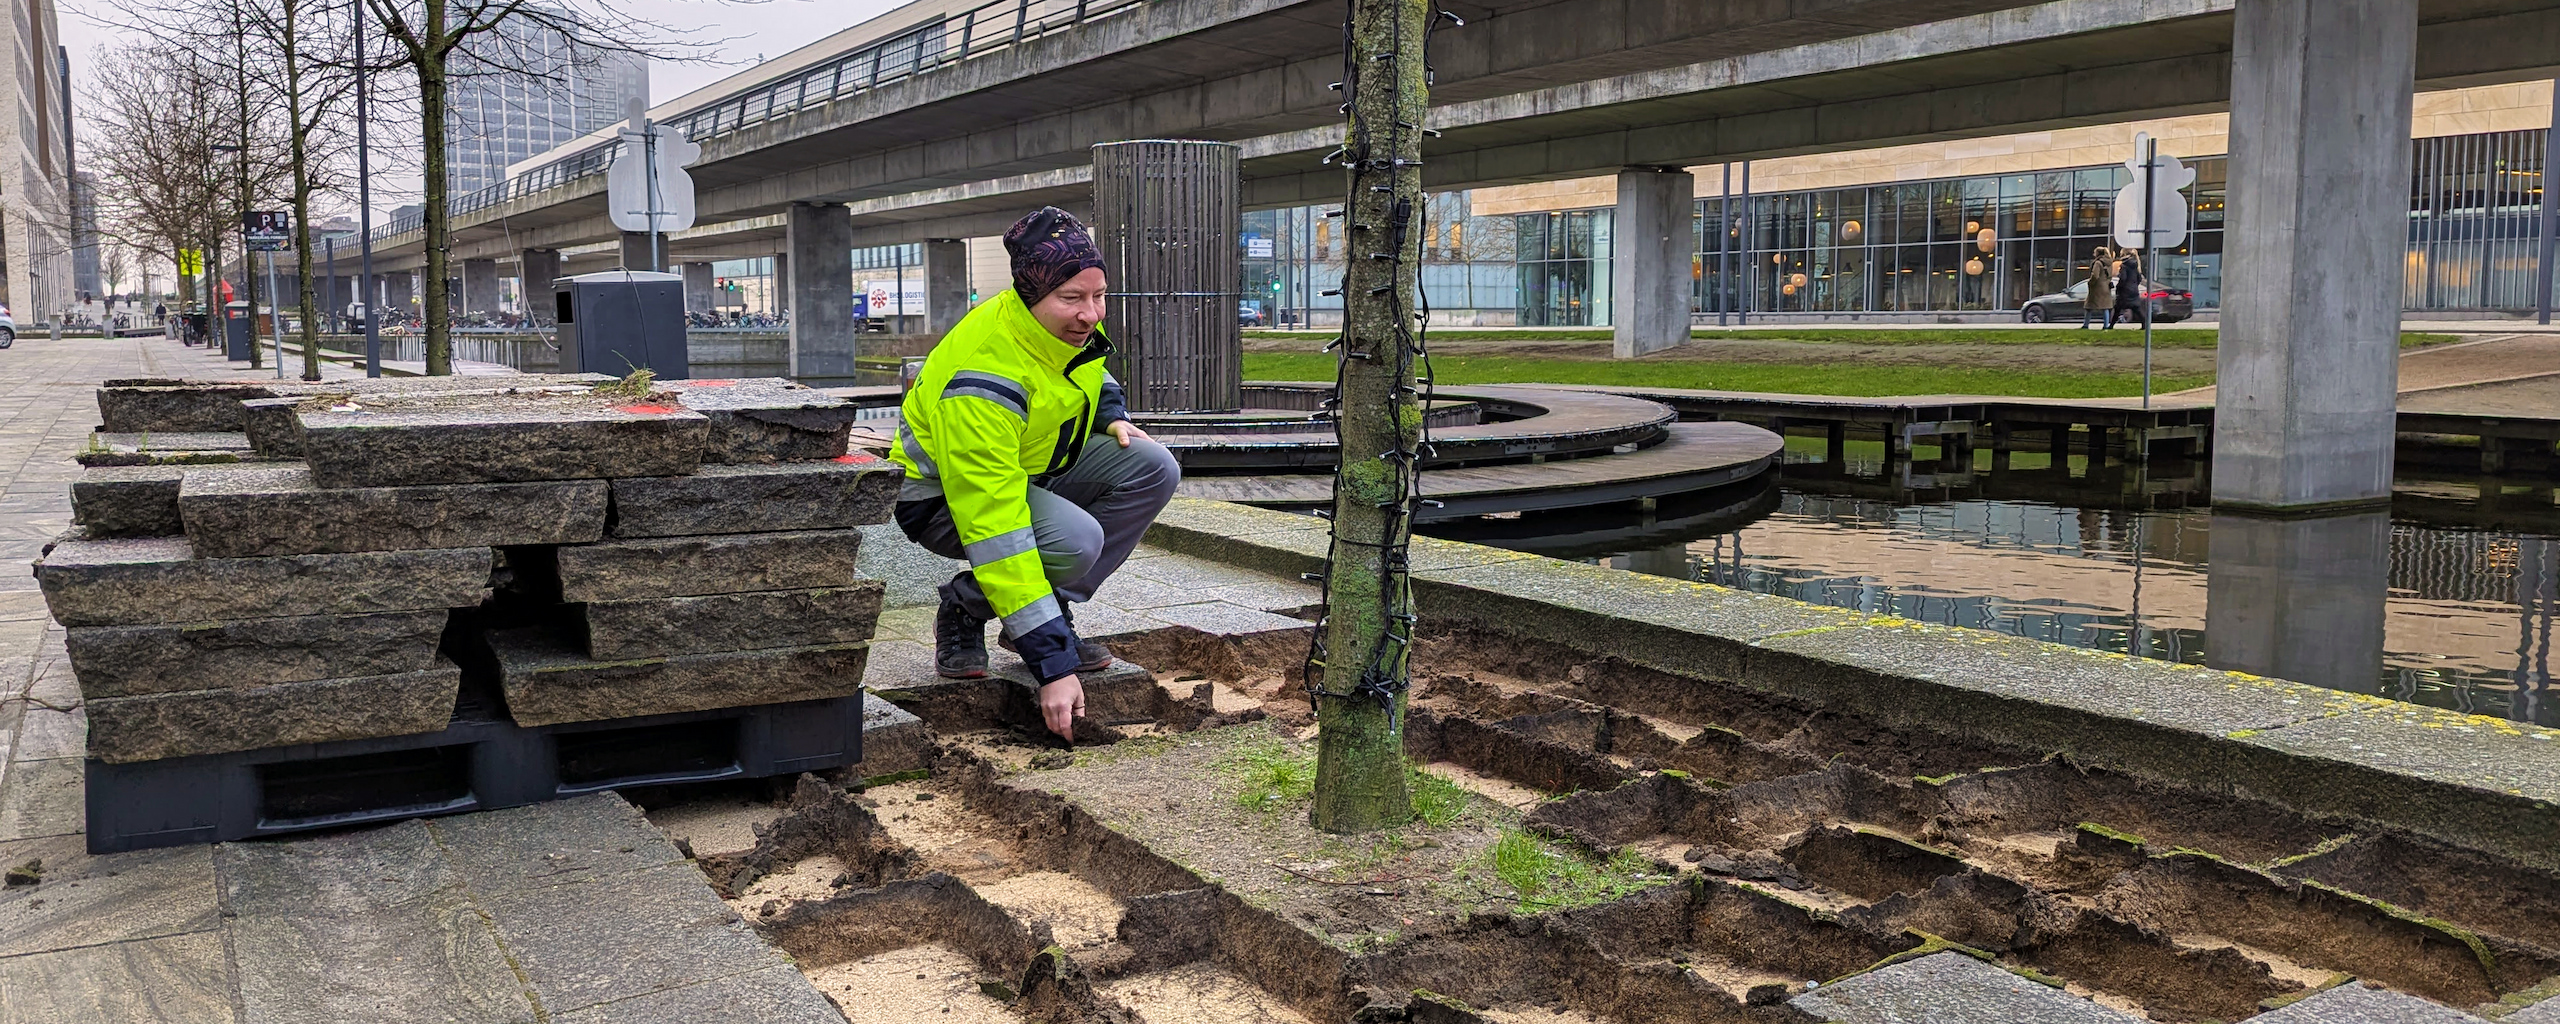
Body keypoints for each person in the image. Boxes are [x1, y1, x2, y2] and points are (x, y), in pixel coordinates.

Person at [889, 206, 1182, 741]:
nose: (1091, 314)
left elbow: (1083, 371)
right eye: (1072, 299)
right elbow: (995, 523)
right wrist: (1052, 665)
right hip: (940, 499)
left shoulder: (1056, 329)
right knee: (1077, 542)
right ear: (1029, 296)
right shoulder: (982, 377)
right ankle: (964, 605)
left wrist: (1112, 413)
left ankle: (1049, 611)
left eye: (1098, 295)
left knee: (1154, 467)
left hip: (1029, 468)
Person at [2110, 250, 2148, 329]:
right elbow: (2139, 278)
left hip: (2124, 291)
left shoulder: (2124, 265)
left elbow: (2123, 278)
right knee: (2136, 308)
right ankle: (2144, 324)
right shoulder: (2135, 266)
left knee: (2117, 308)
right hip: (2133, 290)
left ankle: (2111, 325)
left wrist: (2119, 287)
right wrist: (2134, 285)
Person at [2081, 247, 2114, 329]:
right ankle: (2106, 325)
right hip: (2106, 287)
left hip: (2097, 287)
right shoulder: (2109, 263)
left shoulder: (2098, 263)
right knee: (2105, 306)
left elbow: (2095, 275)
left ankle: (2086, 324)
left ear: (2098, 254)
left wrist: (2090, 282)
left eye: (2094, 252)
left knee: (2089, 306)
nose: (2093, 254)